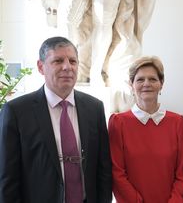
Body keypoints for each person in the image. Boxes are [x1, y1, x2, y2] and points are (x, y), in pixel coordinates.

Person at [0, 36, 112, 203]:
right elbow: (8, 177)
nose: (67, 67)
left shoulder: (95, 108)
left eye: (73, 61)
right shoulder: (17, 111)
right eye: (58, 61)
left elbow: (103, 170)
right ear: (40, 67)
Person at [108, 56, 183, 202]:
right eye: (140, 79)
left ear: (161, 84)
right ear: (131, 84)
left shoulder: (177, 122)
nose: (146, 84)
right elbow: (117, 172)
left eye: (152, 79)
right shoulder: (118, 122)